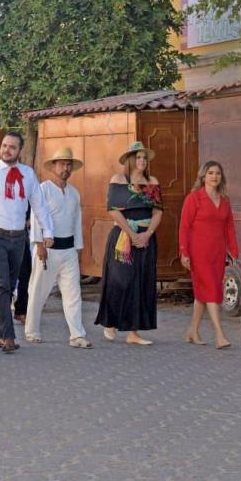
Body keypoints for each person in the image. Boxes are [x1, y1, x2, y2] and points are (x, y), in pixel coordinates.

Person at [0, 132, 54, 353]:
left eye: (12, 147)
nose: (6, 150)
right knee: (3, 284)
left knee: (8, 285)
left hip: (18, 237)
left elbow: (39, 205)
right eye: (4, 146)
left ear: (19, 150)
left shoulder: (28, 174)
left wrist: (47, 231)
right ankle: (8, 335)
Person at [94, 141, 163, 345]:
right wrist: (131, 234)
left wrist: (147, 234)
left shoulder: (152, 181)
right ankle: (110, 321)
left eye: (144, 157)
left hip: (145, 237)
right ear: (130, 160)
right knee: (120, 280)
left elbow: (158, 212)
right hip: (123, 236)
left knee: (141, 281)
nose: (141, 160)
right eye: (138, 157)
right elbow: (113, 209)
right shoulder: (119, 179)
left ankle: (133, 332)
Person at [24, 148, 92, 348]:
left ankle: (77, 335)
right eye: (62, 163)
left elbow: (76, 221)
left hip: (69, 249)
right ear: (53, 166)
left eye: (68, 164)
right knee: (39, 291)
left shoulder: (74, 193)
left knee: (73, 293)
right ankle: (32, 330)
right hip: (48, 248)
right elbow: (37, 217)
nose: (66, 167)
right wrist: (38, 244)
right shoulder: (43, 189)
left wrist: (78, 249)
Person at [179, 161, 237, 349]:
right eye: (210, 173)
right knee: (212, 290)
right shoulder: (194, 198)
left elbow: (229, 227)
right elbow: (184, 227)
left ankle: (192, 331)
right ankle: (220, 335)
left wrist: (233, 250)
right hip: (199, 252)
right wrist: (184, 252)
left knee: (203, 293)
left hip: (217, 253)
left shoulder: (225, 200)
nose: (214, 176)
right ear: (203, 176)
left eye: (218, 173)